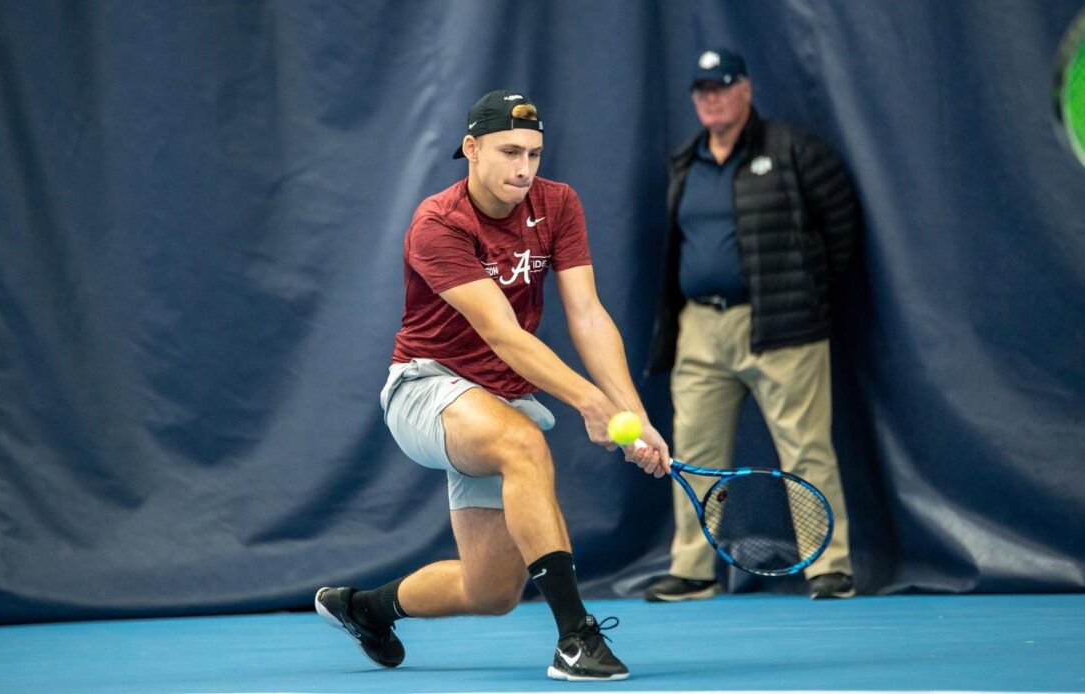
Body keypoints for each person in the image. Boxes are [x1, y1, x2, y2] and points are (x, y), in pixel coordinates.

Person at [315, 89, 671, 681]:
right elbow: (502, 333)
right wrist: (589, 402)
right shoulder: (438, 222)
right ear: (471, 149)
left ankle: (366, 609)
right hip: (425, 387)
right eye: (510, 152)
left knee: (492, 590)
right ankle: (575, 640)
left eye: (533, 153)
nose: (525, 168)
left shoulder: (557, 205)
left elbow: (587, 315)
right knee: (523, 442)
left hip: (499, 398)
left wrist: (632, 414)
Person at [644, 49, 860, 602]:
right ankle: (693, 570)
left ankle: (828, 567)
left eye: (722, 86)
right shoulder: (684, 162)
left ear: (746, 89)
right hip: (699, 330)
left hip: (782, 328)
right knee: (691, 452)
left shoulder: (794, 151)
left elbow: (842, 233)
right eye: (702, 90)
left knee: (807, 448)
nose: (711, 98)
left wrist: (802, 296)